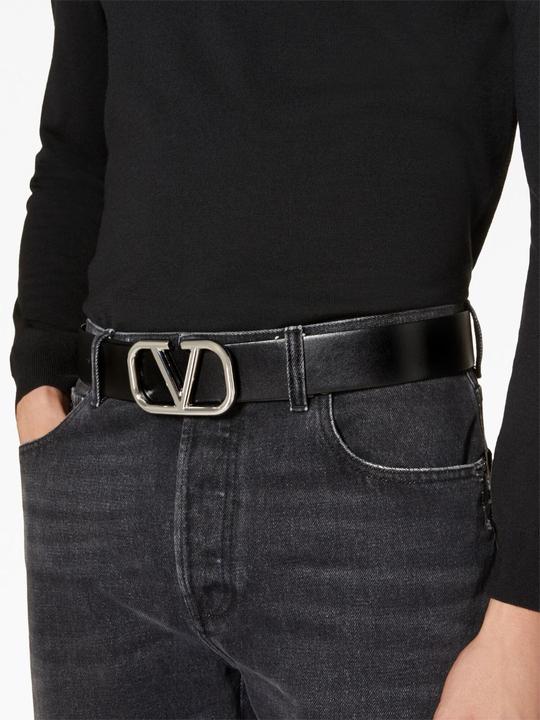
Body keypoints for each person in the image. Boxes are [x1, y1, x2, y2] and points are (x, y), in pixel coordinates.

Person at [11, 2, 538, 719]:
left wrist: (524, 620)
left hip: (373, 494)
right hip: (106, 479)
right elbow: (78, 136)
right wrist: (39, 377)